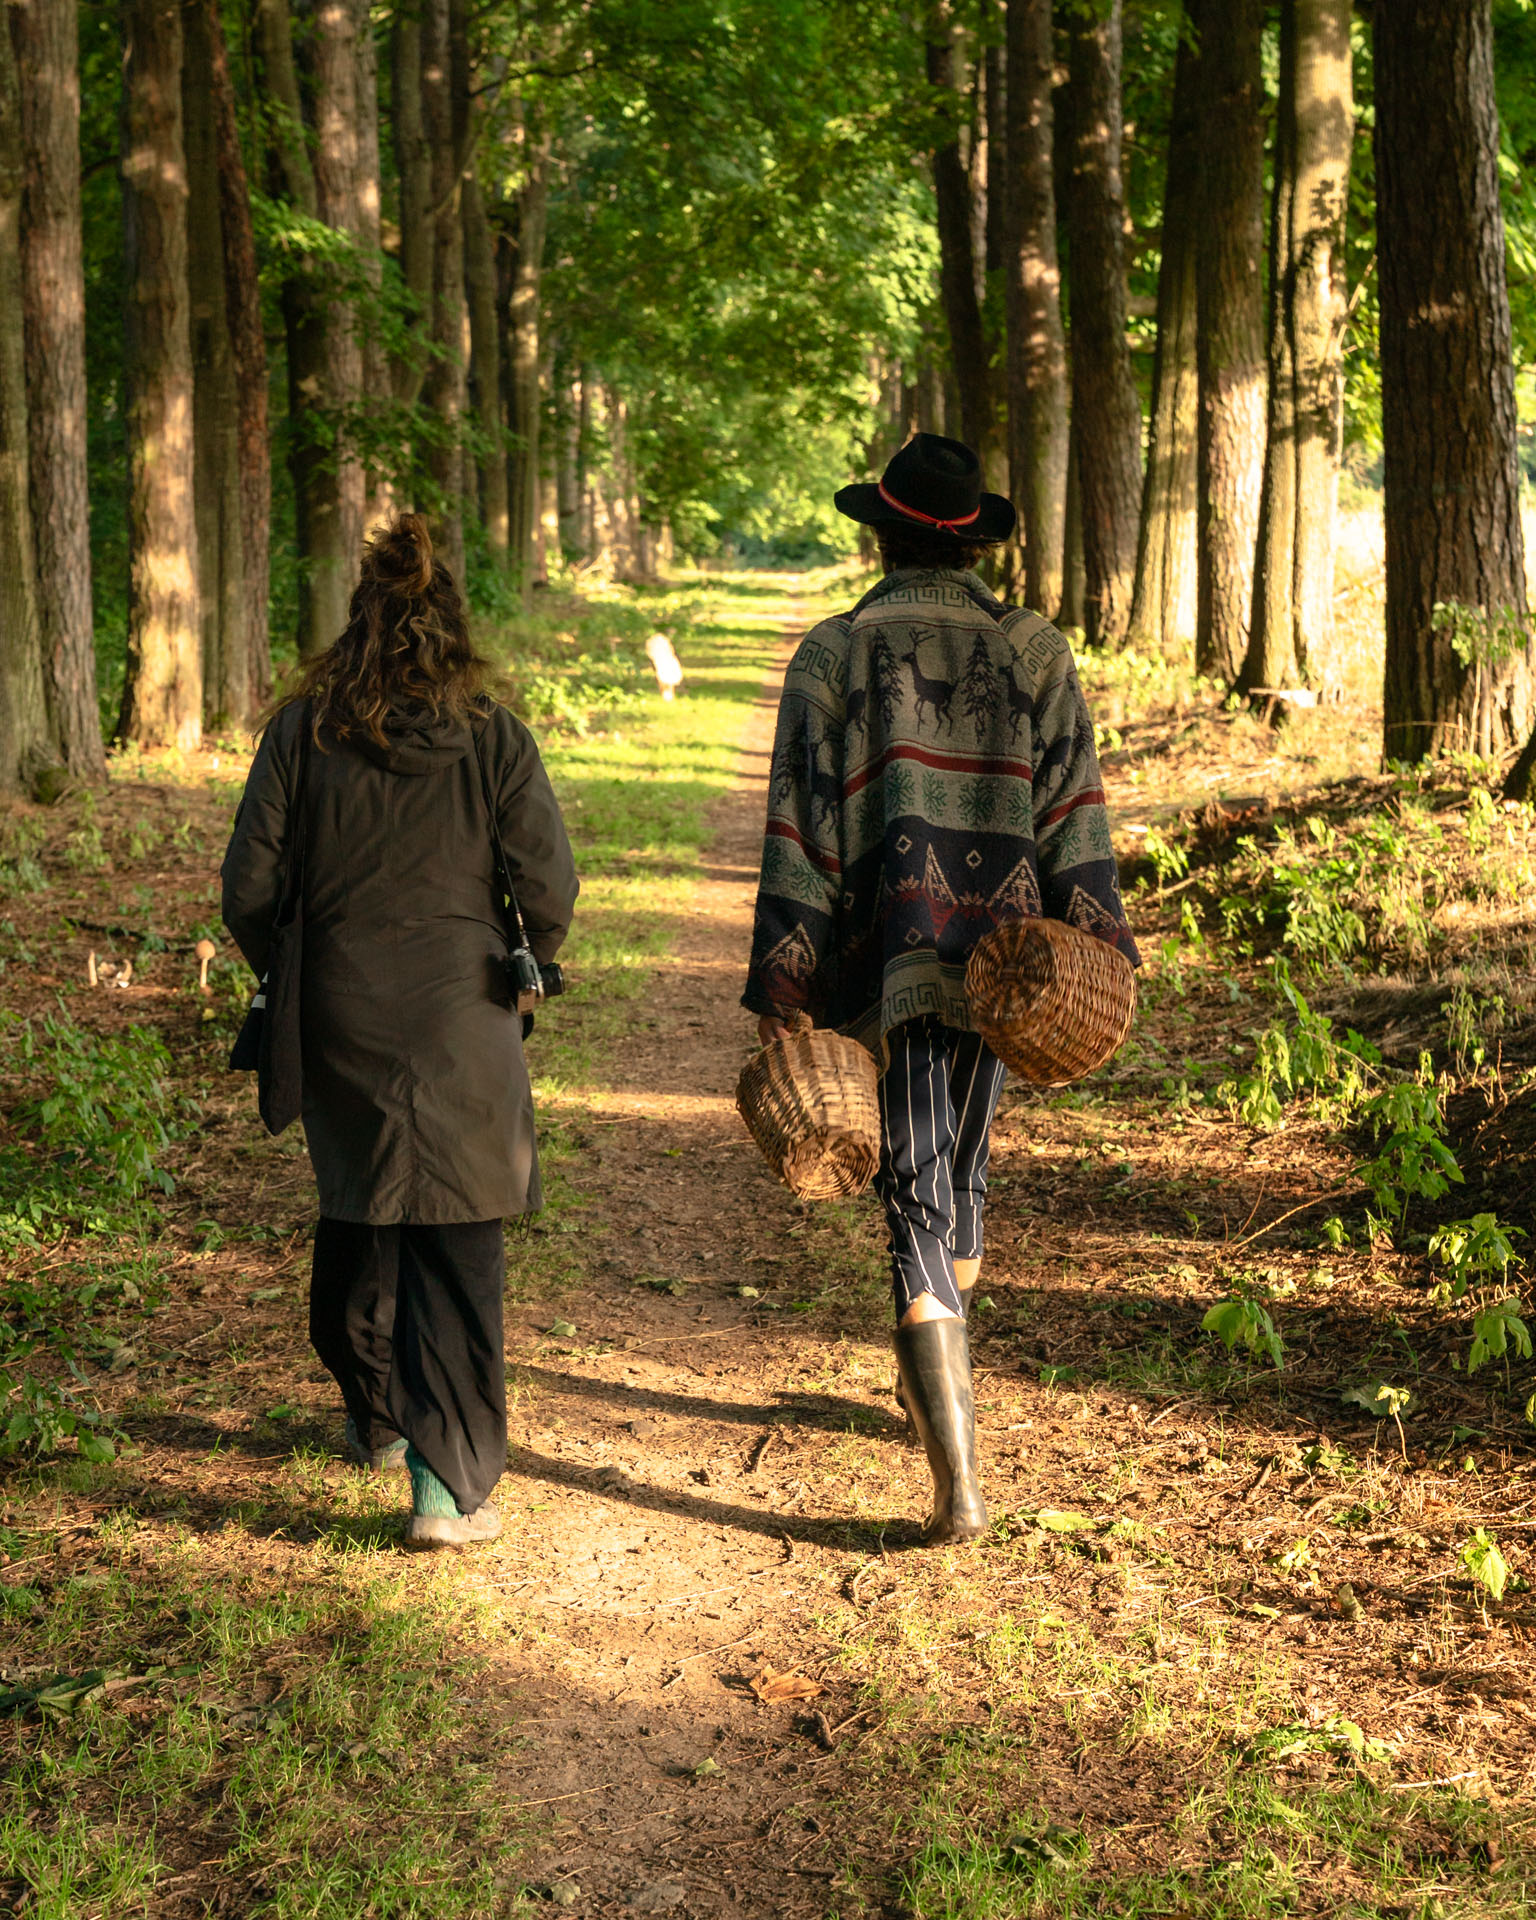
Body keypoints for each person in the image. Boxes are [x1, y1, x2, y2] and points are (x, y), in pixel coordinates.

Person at [742, 434, 1138, 1544]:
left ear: (883, 533)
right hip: (1016, 967)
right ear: (971, 542)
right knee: (953, 1174)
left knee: (922, 1190)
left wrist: (789, 972)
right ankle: (937, 1391)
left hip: (890, 956)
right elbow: (1075, 807)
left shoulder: (834, 652)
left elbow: (799, 825)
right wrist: (1096, 936)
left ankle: (958, 1481)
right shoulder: (1033, 648)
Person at [222, 514, 578, 1550]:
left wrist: (296, 969)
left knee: (362, 1206)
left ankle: (377, 1415)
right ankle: (445, 1493)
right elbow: (547, 887)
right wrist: (523, 965)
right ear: (455, 628)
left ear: (358, 623)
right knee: (457, 1247)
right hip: (464, 1009)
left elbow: (248, 888)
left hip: (338, 1008)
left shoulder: (301, 734)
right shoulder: (495, 736)